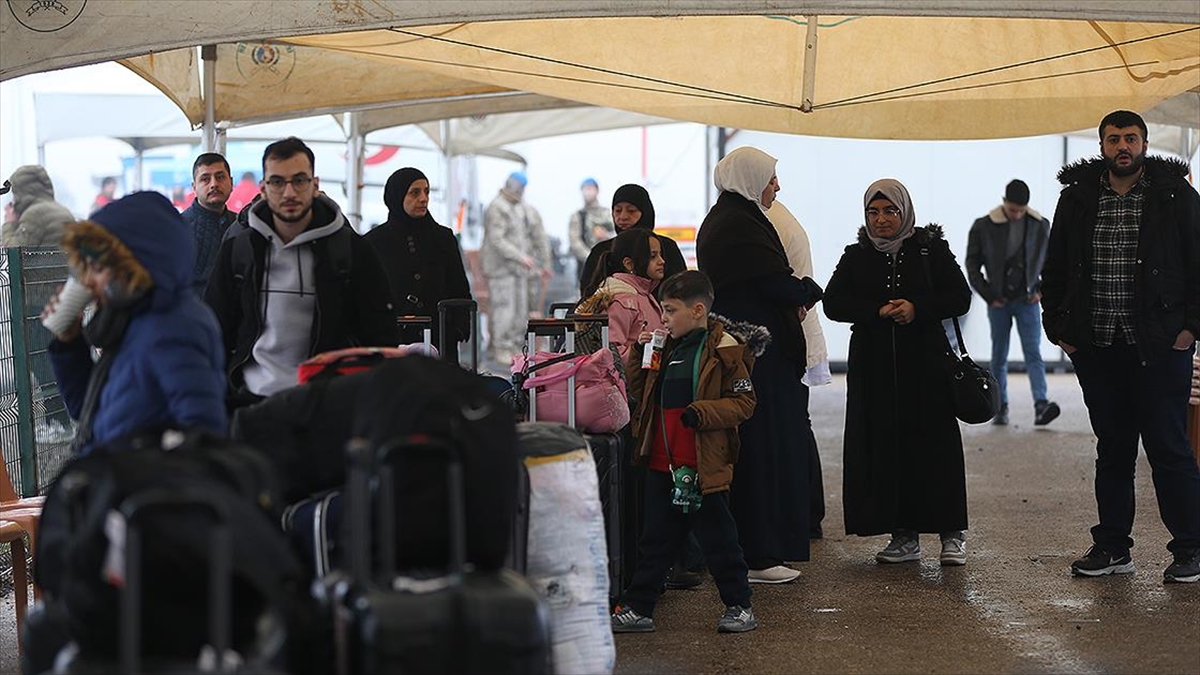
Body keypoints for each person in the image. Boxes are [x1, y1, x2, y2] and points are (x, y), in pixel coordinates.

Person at [1042, 110, 1200, 583]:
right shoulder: (1077, 198)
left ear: (1145, 144)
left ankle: (1191, 548)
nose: (1122, 147)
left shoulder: (1176, 196)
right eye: (1114, 140)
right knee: (1112, 450)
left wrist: (1191, 328)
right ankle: (1112, 547)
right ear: (1102, 146)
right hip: (1098, 346)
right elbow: (1055, 266)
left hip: (1160, 345)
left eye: (1130, 138)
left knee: (1169, 448)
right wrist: (1059, 327)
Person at [823, 178, 972, 565]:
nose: (881, 220)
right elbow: (833, 302)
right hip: (875, 370)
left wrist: (917, 309)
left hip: (926, 367)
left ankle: (951, 534)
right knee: (886, 449)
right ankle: (903, 536)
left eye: (890, 211)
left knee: (935, 447)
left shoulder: (930, 249)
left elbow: (959, 296)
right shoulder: (856, 255)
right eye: (874, 212)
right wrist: (876, 311)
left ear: (904, 212)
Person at [612, 270, 766, 634]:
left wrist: (704, 413)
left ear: (698, 310)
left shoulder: (725, 349)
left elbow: (745, 402)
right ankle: (639, 607)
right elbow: (639, 389)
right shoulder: (665, 347)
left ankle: (739, 605)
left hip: (701, 466)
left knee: (719, 540)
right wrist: (639, 352)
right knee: (655, 540)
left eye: (670, 310)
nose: (663, 318)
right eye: (663, 310)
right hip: (661, 463)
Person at [695, 147, 822, 583]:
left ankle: (763, 550)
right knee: (763, 450)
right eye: (770, 179)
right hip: (755, 357)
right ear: (750, 179)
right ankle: (760, 555)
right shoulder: (736, 225)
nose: (777, 186)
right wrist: (807, 289)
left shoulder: (737, 219)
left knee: (768, 448)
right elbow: (773, 283)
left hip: (757, 353)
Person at [205, 137, 398, 409]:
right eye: (277, 182)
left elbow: (380, 335)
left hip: (328, 404)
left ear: (315, 185)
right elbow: (216, 329)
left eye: (299, 180)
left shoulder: (351, 250)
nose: (289, 193)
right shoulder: (239, 251)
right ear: (263, 188)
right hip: (252, 402)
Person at [43, 192, 227, 454]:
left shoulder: (174, 327)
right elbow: (90, 413)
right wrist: (70, 343)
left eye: (98, 268)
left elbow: (201, 435)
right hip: (116, 482)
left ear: (137, 263)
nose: (89, 281)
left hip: (136, 486)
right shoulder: (132, 320)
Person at [966, 179, 1059, 426]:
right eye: (1012, 209)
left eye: (1020, 210)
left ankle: (1041, 404)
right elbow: (972, 264)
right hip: (998, 300)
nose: (1016, 214)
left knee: (1033, 352)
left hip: (1028, 298)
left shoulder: (1039, 225)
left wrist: (1041, 290)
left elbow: (1052, 263)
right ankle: (999, 405)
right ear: (1004, 202)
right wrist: (987, 294)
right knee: (999, 354)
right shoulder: (983, 226)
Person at [766, 199, 832, 539]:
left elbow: (777, 282)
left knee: (794, 427)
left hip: (792, 336)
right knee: (797, 426)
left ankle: (807, 516)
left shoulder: (768, 219)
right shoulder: (773, 216)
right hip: (795, 334)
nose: (776, 185)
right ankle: (807, 515)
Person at [365, 167, 472, 350]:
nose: (423, 198)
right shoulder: (374, 242)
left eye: (426, 192)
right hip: (392, 342)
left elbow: (459, 288)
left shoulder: (443, 238)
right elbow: (367, 294)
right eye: (415, 192)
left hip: (440, 340)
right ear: (397, 196)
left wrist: (458, 329)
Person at [480, 171, 551, 364]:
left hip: (518, 270)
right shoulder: (498, 207)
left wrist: (533, 262)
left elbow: (528, 238)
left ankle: (514, 346)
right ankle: (501, 348)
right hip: (501, 271)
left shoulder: (518, 208)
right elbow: (496, 239)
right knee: (505, 310)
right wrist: (520, 257)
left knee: (520, 312)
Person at [579, 184, 686, 297]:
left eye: (631, 211)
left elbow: (681, 290)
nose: (623, 216)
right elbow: (588, 293)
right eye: (618, 210)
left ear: (645, 212)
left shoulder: (667, 247)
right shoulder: (601, 250)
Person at [577, 228, 666, 362]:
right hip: (627, 381)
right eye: (653, 256)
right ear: (629, 264)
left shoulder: (643, 294)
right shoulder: (622, 300)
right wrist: (640, 353)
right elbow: (612, 352)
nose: (661, 261)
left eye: (660, 254)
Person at [181, 152, 236, 296]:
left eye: (220, 177)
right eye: (205, 179)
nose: (214, 184)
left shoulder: (242, 226)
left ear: (231, 182)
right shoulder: (178, 229)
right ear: (194, 187)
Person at [1, 165, 74, 247]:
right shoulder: (63, 210)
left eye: (15, 193)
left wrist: (9, 223)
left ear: (21, 192)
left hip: (45, 260)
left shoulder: (34, 214)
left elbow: (16, 251)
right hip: (59, 260)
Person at [567, 177, 615, 275]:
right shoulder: (578, 216)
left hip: (608, 264)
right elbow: (575, 242)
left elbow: (618, 235)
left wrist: (606, 236)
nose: (588, 192)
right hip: (586, 267)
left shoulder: (608, 214)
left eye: (590, 188)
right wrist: (591, 258)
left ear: (597, 190)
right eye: (585, 189)